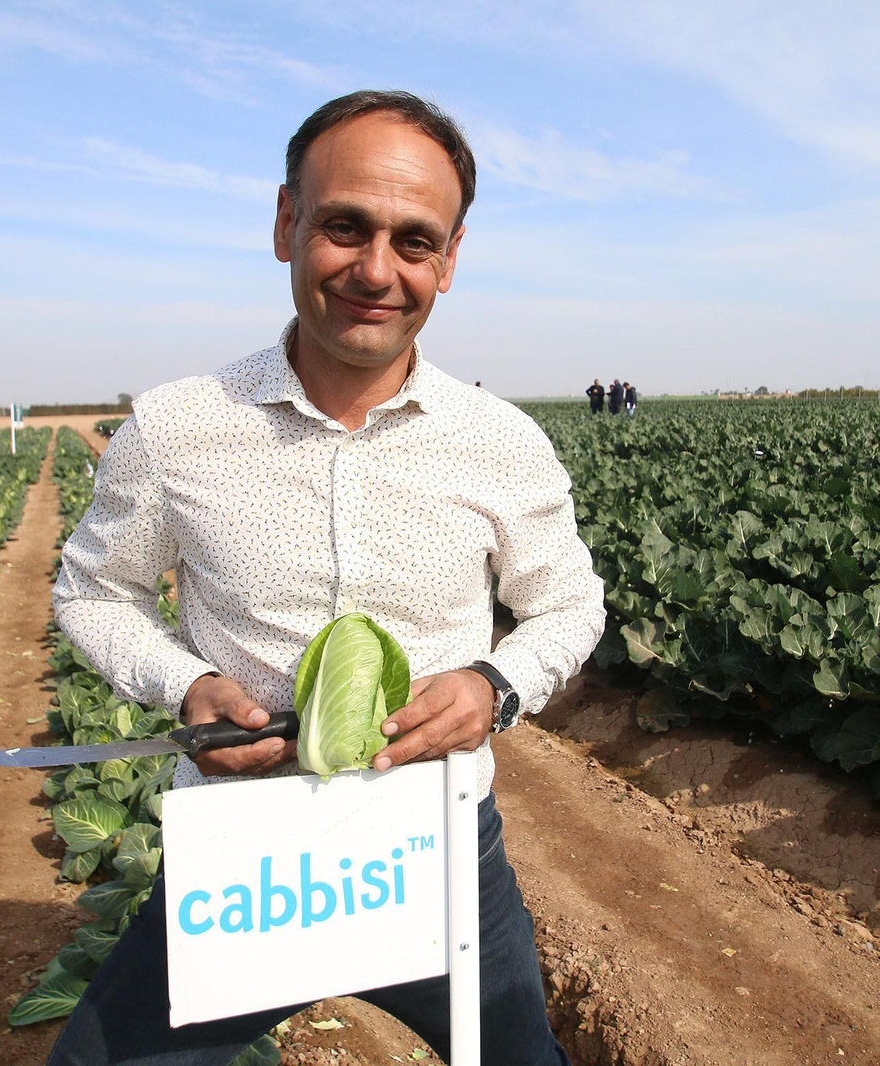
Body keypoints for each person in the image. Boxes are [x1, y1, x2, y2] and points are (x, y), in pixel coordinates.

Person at [49, 90, 604, 1066]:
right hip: (245, 860)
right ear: (286, 224)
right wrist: (185, 684)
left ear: (450, 258)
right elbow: (94, 591)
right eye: (345, 226)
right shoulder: (178, 427)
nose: (377, 270)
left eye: (414, 240)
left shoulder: (501, 442)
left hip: (432, 852)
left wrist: (494, 686)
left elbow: (568, 603)